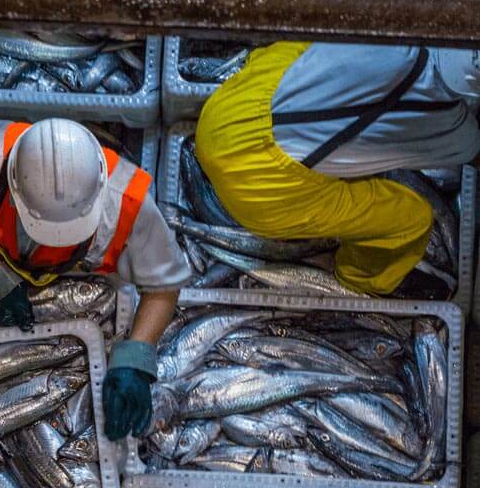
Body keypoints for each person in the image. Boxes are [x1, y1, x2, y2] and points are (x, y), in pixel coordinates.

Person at [0, 118, 193, 442]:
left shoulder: (131, 204)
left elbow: (163, 287)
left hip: (77, 275)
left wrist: (136, 358)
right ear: (15, 190)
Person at [196, 42, 480, 297]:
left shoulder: (397, 20)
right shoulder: (454, 128)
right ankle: (359, 278)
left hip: (224, 112)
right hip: (257, 186)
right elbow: (472, 152)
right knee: (412, 219)